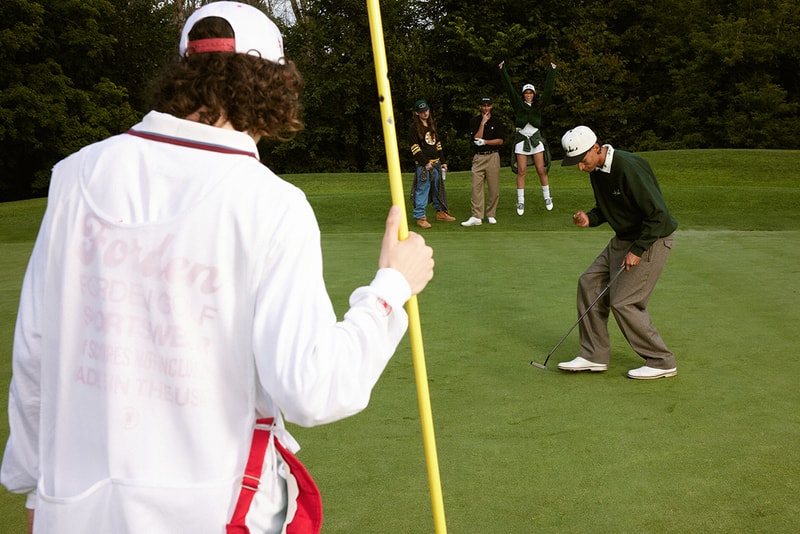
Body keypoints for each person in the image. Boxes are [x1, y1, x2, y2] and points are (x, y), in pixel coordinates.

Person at [0, 3, 434, 533]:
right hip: (217, 511)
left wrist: (33, 486)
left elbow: (34, 354)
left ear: (183, 72)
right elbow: (312, 387)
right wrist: (390, 288)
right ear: (273, 84)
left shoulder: (75, 175)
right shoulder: (273, 204)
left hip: (72, 510)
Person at [557, 125, 678, 380]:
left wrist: (638, 250)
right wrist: (589, 218)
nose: (580, 167)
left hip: (652, 238)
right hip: (624, 238)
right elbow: (607, 206)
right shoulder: (597, 168)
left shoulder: (627, 167)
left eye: (581, 160)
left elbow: (658, 215)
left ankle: (661, 360)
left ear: (596, 148)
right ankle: (594, 355)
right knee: (588, 283)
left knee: (623, 301)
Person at [498, 60, 556, 215]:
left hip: (536, 138)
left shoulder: (538, 105)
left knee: (540, 169)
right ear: (523, 94)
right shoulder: (518, 104)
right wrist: (503, 70)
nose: (529, 95)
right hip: (522, 139)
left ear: (534, 94)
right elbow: (509, 89)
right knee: (521, 170)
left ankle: (547, 197)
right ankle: (521, 201)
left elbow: (549, 90)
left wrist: (552, 71)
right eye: (526, 93)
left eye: (531, 93)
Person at [408, 99, 455, 228]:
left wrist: (443, 162)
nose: (425, 113)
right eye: (422, 112)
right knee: (422, 190)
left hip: (436, 164)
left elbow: (438, 145)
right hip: (424, 166)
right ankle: (420, 217)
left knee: (438, 189)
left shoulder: (432, 125)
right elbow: (415, 148)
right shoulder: (413, 128)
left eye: (426, 110)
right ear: (417, 113)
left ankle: (441, 212)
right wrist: (425, 162)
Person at [462, 96, 505, 226]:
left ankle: (491, 214)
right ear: (480, 107)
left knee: (493, 188)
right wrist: (482, 123)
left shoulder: (497, 121)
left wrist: (486, 142)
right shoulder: (474, 121)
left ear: (491, 106)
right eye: (483, 105)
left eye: (488, 105)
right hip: (478, 157)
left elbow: (500, 140)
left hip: (492, 156)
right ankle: (476, 216)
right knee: (476, 187)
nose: (486, 108)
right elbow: (476, 138)